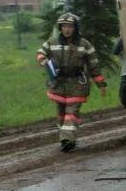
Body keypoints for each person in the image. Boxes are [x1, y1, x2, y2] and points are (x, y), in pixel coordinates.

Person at [36, 12, 106, 151]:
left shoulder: (84, 44)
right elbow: (40, 53)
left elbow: (94, 65)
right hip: (58, 84)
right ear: (60, 27)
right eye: (64, 26)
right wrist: (46, 62)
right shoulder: (52, 42)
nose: (67, 29)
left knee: (71, 112)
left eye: (70, 26)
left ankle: (67, 139)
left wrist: (101, 84)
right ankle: (67, 139)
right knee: (61, 114)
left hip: (77, 84)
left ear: (75, 28)